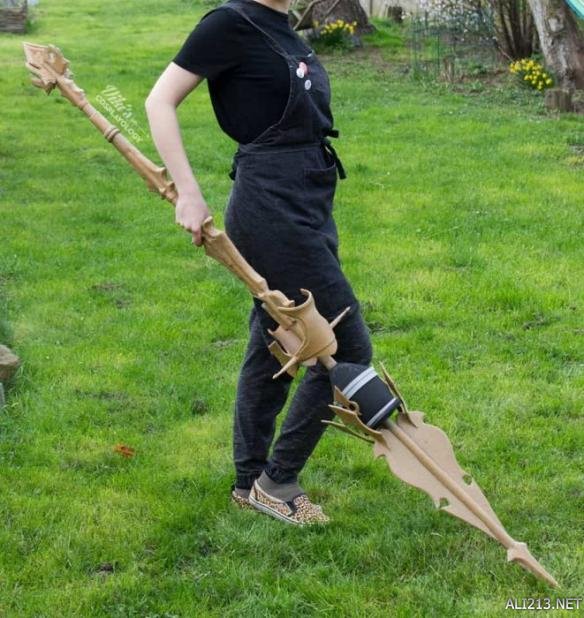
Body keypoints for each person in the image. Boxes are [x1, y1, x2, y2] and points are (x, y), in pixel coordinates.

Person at [145, 0, 373, 525]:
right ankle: (278, 482)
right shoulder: (229, 22)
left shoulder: (282, 26)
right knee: (342, 343)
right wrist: (188, 192)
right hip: (269, 205)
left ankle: (249, 481)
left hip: (310, 198)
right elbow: (160, 100)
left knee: (274, 340)